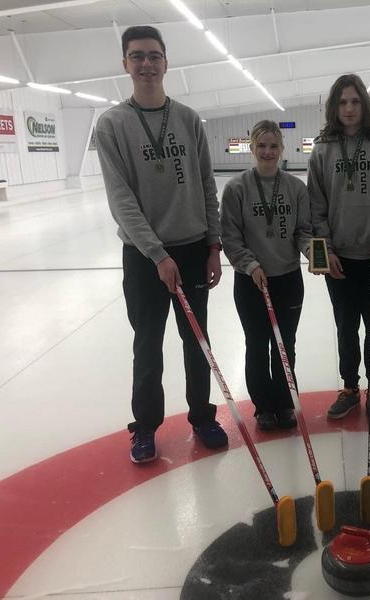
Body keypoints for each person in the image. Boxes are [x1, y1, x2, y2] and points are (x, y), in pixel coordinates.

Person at [96, 25, 228, 463]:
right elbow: (121, 199)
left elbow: (207, 185)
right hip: (144, 257)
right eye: (137, 56)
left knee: (197, 342)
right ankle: (146, 427)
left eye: (154, 56)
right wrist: (156, 254)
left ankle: (203, 416)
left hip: (192, 250)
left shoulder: (189, 119)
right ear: (125, 64)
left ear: (167, 63)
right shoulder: (112, 124)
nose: (147, 64)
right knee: (147, 344)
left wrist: (214, 245)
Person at [307, 73, 370, 422]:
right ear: (334, 107)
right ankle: (350, 387)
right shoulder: (321, 150)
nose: (349, 108)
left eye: (355, 101)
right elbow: (315, 208)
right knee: (345, 328)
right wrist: (327, 251)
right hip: (340, 262)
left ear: (365, 104)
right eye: (342, 102)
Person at [220, 121, 311, 431]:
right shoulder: (237, 188)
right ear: (252, 148)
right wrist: (251, 265)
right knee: (256, 344)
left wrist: (313, 253)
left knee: (285, 345)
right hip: (251, 281)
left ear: (282, 149)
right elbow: (230, 238)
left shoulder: (296, 188)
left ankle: (285, 402)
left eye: (273, 146)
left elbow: (303, 232)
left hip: (287, 279)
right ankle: (263, 406)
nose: (268, 152)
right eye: (262, 146)